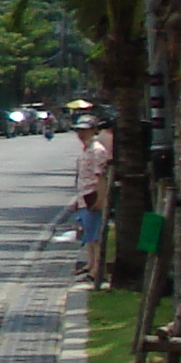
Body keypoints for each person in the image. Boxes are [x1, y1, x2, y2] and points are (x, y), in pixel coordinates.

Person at [74, 120, 112, 282]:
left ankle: (97, 269)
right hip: (84, 196)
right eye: (78, 130)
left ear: (93, 131)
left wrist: (101, 198)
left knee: (95, 236)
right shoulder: (85, 150)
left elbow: (101, 177)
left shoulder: (97, 151)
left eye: (84, 130)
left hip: (92, 195)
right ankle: (90, 264)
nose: (80, 134)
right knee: (88, 234)